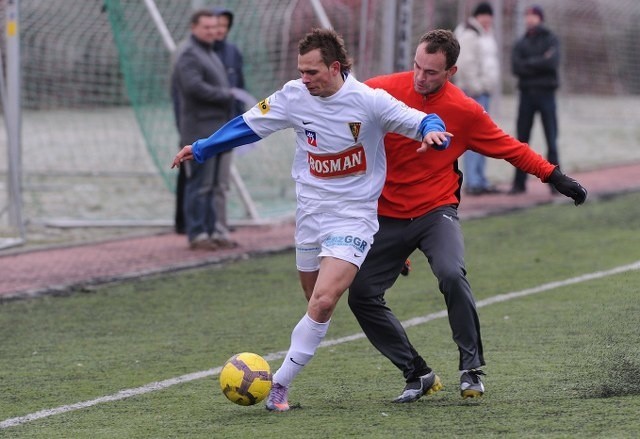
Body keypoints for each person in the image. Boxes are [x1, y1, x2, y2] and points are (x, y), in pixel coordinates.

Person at [171, 28, 452, 412]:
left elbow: (422, 119)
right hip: (310, 215)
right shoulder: (293, 96)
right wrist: (202, 147)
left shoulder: (368, 101)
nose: (304, 79)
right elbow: (249, 124)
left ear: (334, 67)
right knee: (314, 301)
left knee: (322, 302)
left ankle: (279, 387)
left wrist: (435, 133)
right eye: (301, 71)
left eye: (312, 72)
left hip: (353, 217)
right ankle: (414, 366)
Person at [347, 29, 587, 403]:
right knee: (360, 294)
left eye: (431, 72)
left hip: (435, 210)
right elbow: (342, 98)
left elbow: (511, 148)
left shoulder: (464, 110)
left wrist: (555, 177)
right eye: (417, 66)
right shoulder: (382, 91)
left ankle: (470, 369)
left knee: (450, 273)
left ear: (452, 71)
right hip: (386, 217)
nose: (420, 77)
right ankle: (417, 372)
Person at [172, 9, 236, 250]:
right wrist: (226, 95)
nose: (211, 31)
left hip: (218, 131)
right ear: (193, 28)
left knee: (216, 186)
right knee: (199, 185)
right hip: (198, 132)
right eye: (206, 27)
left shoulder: (210, 52)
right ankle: (197, 234)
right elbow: (193, 88)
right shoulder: (188, 54)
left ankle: (214, 231)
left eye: (214, 27)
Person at [510, 4, 560, 194]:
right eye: (527, 16)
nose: (530, 19)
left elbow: (552, 63)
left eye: (533, 16)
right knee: (522, 141)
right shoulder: (520, 42)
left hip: (547, 95)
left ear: (540, 18)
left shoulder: (551, 39)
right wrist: (540, 61)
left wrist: (529, 64)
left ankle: (556, 183)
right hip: (526, 95)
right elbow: (516, 67)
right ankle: (518, 184)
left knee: (551, 139)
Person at [454, 2, 501, 195]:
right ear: (478, 16)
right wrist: (476, 87)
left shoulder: (484, 33)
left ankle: (480, 179)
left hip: (484, 91)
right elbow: (465, 62)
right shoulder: (470, 33)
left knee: (484, 136)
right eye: (485, 16)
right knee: (474, 137)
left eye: (490, 16)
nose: (488, 20)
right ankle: (473, 180)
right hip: (474, 92)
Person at [210, 7, 246, 238]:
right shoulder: (197, 54)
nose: (220, 30)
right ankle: (199, 229)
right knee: (201, 184)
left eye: (224, 25)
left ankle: (219, 227)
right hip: (203, 127)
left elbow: (240, 88)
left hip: (227, 127)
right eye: (216, 25)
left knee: (221, 183)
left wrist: (241, 122)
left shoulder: (233, 52)